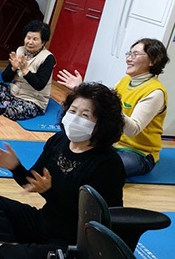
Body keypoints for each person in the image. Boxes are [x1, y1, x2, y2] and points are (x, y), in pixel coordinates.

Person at [0, 82, 125, 259]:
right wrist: (15, 167)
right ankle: (8, 248)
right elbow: (32, 182)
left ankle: (1, 248)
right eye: (72, 111)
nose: (75, 118)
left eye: (85, 115)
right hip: (43, 221)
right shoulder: (59, 141)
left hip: (73, 239)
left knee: (46, 254)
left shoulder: (108, 163)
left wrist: (49, 192)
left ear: (101, 123)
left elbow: (95, 218)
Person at [57, 38, 170, 177]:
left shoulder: (155, 92)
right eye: (129, 54)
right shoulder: (125, 80)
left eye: (135, 55)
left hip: (137, 152)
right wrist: (81, 89)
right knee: (63, 144)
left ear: (153, 60)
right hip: (110, 142)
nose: (129, 58)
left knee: (102, 169)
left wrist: (112, 107)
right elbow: (103, 101)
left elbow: (132, 130)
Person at [0, 20, 55, 120]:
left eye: (35, 39)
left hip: (32, 100)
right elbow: (5, 78)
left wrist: (25, 71)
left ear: (43, 42)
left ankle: (6, 104)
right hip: (13, 93)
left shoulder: (48, 58)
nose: (30, 42)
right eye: (28, 38)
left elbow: (39, 85)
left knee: (13, 111)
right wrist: (12, 68)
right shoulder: (20, 50)